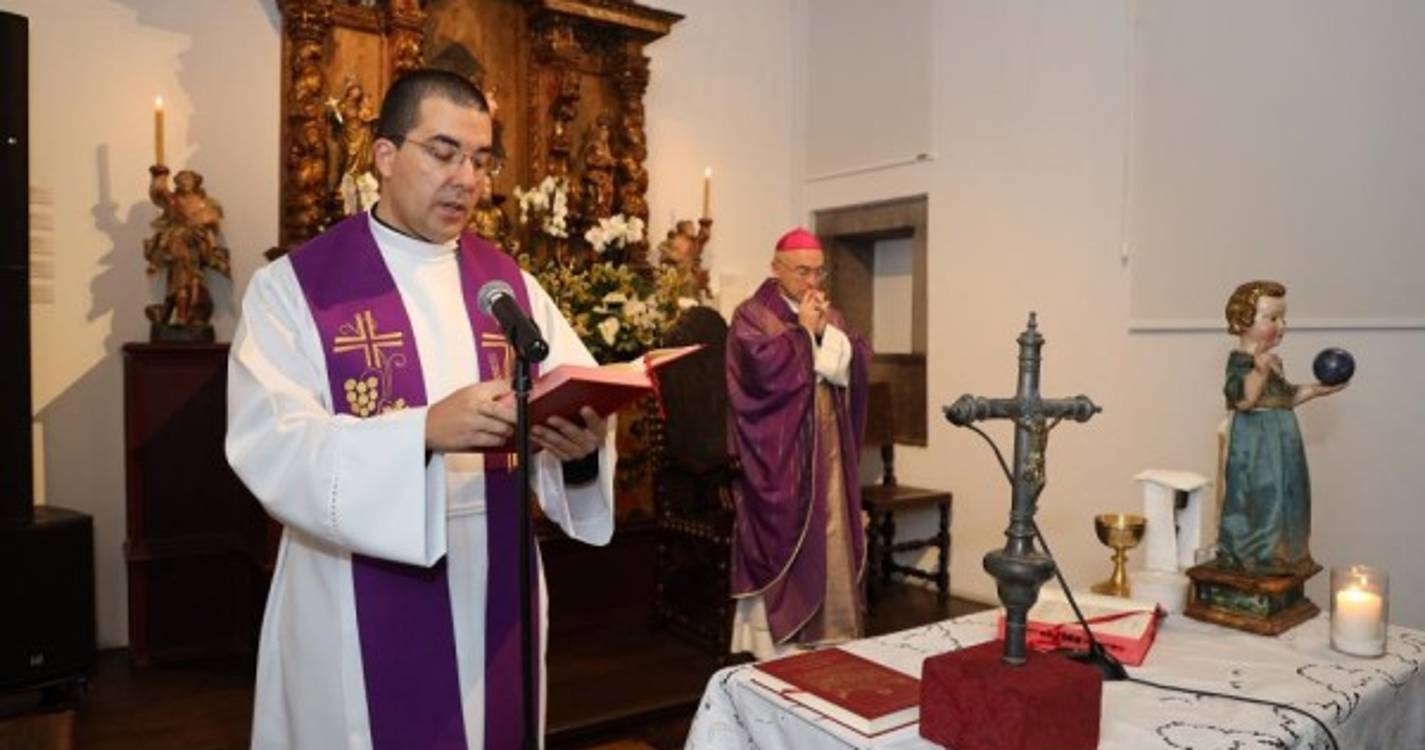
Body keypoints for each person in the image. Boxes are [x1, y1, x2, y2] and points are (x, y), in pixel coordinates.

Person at [226, 69, 615, 749]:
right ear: (384, 156)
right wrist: (424, 432)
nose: (467, 177)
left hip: (495, 579)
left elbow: (569, 394)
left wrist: (579, 454)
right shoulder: (294, 290)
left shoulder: (511, 287)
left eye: (481, 158)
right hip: (351, 587)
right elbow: (272, 445)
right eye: (443, 152)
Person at [726, 227, 871, 659]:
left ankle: (832, 633)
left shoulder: (831, 312)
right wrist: (802, 335)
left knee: (833, 531)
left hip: (827, 448)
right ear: (776, 269)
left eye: (818, 272)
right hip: (779, 454)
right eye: (802, 271)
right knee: (783, 532)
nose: (812, 282)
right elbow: (758, 374)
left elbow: (857, 359)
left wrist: (827, 334)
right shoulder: (751, 315)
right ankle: (774, 643)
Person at [1215, 280, 1345, 576]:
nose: (1282, 325)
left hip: (1283, 437)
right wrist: (1259, 371)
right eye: (1272, 318)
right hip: (1256, 441)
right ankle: (1255, 555)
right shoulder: (1241, 361)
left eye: (1283, 318)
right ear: (1242, 321)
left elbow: (1284, 397)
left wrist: (1316, 390)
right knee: (1262, 494)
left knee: (1288, 492)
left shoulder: (1273, 362)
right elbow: (1243, 399)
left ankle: (1283, 553)